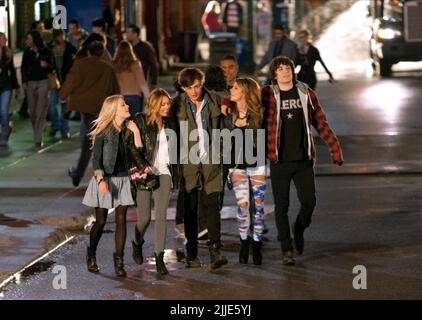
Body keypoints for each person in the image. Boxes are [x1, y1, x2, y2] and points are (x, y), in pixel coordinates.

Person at [262, 56, 343, 265]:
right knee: (282, 206)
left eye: (287, 68)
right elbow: (247, 102)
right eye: (280, 69)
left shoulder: (306, 92)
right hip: (279, 160)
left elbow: (320, 122)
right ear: (274, 73)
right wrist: (227, 102)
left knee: (309, 202)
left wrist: (335, 148)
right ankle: (286, 249)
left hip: (303, 159)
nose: (285, 71)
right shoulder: (267, 94)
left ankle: (299, 229)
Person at [173, 68, 228, 270]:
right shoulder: (176, 105)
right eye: (189, 88)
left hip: (212, 160)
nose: (194, 92)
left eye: (196, 86)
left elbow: (227, 127)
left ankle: (216, 251)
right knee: (190, 208)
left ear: (202, 83)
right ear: (183, 87)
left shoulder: (215, 101)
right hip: (188, 162)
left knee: (213, 205)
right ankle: (192, 253)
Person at [82, 95, 141, 277]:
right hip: (105, 179)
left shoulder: (129, 129)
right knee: (100, 222)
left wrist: (136, 132)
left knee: (121, 219)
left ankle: (119, 262)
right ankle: (91, 252)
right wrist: (100, 181)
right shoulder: (103, 132)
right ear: (113, 110)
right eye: (123, 105)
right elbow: (96, 159)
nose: (127, 106)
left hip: (124, 179)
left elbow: (140, 154)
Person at [129, 88, 178, 275]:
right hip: (144, 173)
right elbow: (133, 150)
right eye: (163, 104)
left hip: (164, 172)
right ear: (154, 105)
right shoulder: (140, 120)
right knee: (144, 219)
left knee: (161, 216)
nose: (166, 107)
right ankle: (137, 241)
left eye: (168, 104)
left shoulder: (171, 123)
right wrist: (143, 166)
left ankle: (159, 257)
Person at [60, 40, 120, 187]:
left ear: (88, 52)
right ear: (102, 52)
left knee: (89, 143)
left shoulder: (81, 65)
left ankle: (80, 174)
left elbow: (71, 82)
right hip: (103, 108)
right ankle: (104, 173)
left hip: (87, 109)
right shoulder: (108, 68)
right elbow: (115, 90)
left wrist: (63, 96)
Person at [222, 77, 266, 265]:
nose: (232, 90)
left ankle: (257, 244)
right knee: (243, 206)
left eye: (236, 88)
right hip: (236, 165)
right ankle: (244, 242)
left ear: (245, 92)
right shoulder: (228, 113)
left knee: (258, 206)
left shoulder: (259, 114)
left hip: (257, 164)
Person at [21, 30, 53, 149]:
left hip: (43, 82)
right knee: (32, 111)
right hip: (30, 83)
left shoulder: (45, 50)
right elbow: (23, 67)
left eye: (29, 39)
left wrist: (46, 65)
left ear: (35, 39)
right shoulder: (26, 52)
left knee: (40, 110)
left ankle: (38, 138)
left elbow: (52, 65)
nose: (27, 41)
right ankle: (38, 132)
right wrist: (24, 81)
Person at [48, 28, 77, 140]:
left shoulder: (70, 48)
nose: (62, 38)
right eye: (59, 36)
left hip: (67, 81)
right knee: (52, 105)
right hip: (55, 81)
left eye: (62, 36)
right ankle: (55, 126)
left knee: (66, 106)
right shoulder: (50, 48)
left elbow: (76, 60)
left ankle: (65, 129)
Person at [113, 40, 149, 119]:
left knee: (121, 122)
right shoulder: (135, 64)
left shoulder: (114, 64)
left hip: (120, 97)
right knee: (134, 122)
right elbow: (141, 81)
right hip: (134, 97)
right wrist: (148, 97)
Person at [0, 32, 19, 147]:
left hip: (6, 86)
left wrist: (16, 87)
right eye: (2, 39)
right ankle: (6, 127)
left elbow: (12, 71)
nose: (5, 41)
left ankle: (5, 132)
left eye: (5, 39)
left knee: (3, 110)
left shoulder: (8, 53)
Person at [126, 24, 159, 91]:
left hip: (141, 81)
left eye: (128, 32)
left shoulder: (146, 47)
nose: (126, 35)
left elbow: (153, 65)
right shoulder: (126, 48)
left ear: (135, 34)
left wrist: (153, 83)